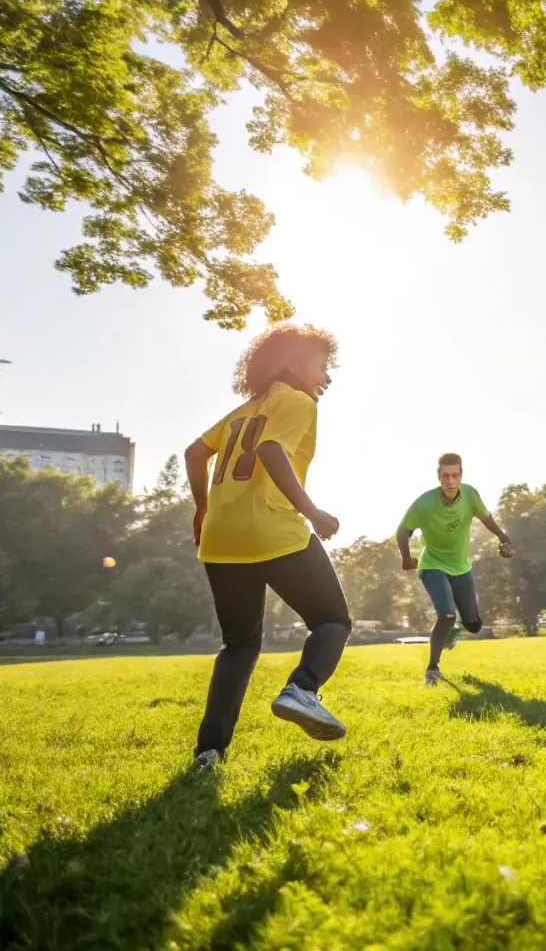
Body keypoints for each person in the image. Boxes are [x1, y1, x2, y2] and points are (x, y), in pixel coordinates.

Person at [184, 324, 350, 769]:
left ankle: (209, 754)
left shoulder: (243, 410)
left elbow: (194, 454)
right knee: (332, 619)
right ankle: (302, 689)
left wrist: (203, 510)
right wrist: (314, 512)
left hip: (220, 539)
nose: (326, 377)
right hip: (273, 530)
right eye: (321, 365)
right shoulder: (298, 402)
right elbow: (272, 451)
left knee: (238, 647)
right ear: (293, 364)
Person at [397, 454, 514, 684]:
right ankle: (432, 669)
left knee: (474, 625)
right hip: (432, 564)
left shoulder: (470, 495)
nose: (450, 481)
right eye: (445, 476)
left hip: (461, 567)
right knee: (446, 614)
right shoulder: (424, 503)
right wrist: (406, 557)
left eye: (455, 475)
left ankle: (455, 628)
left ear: (461, 475)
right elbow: (403, 531)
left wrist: (503, 537)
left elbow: (486, 518)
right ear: (438, 477)